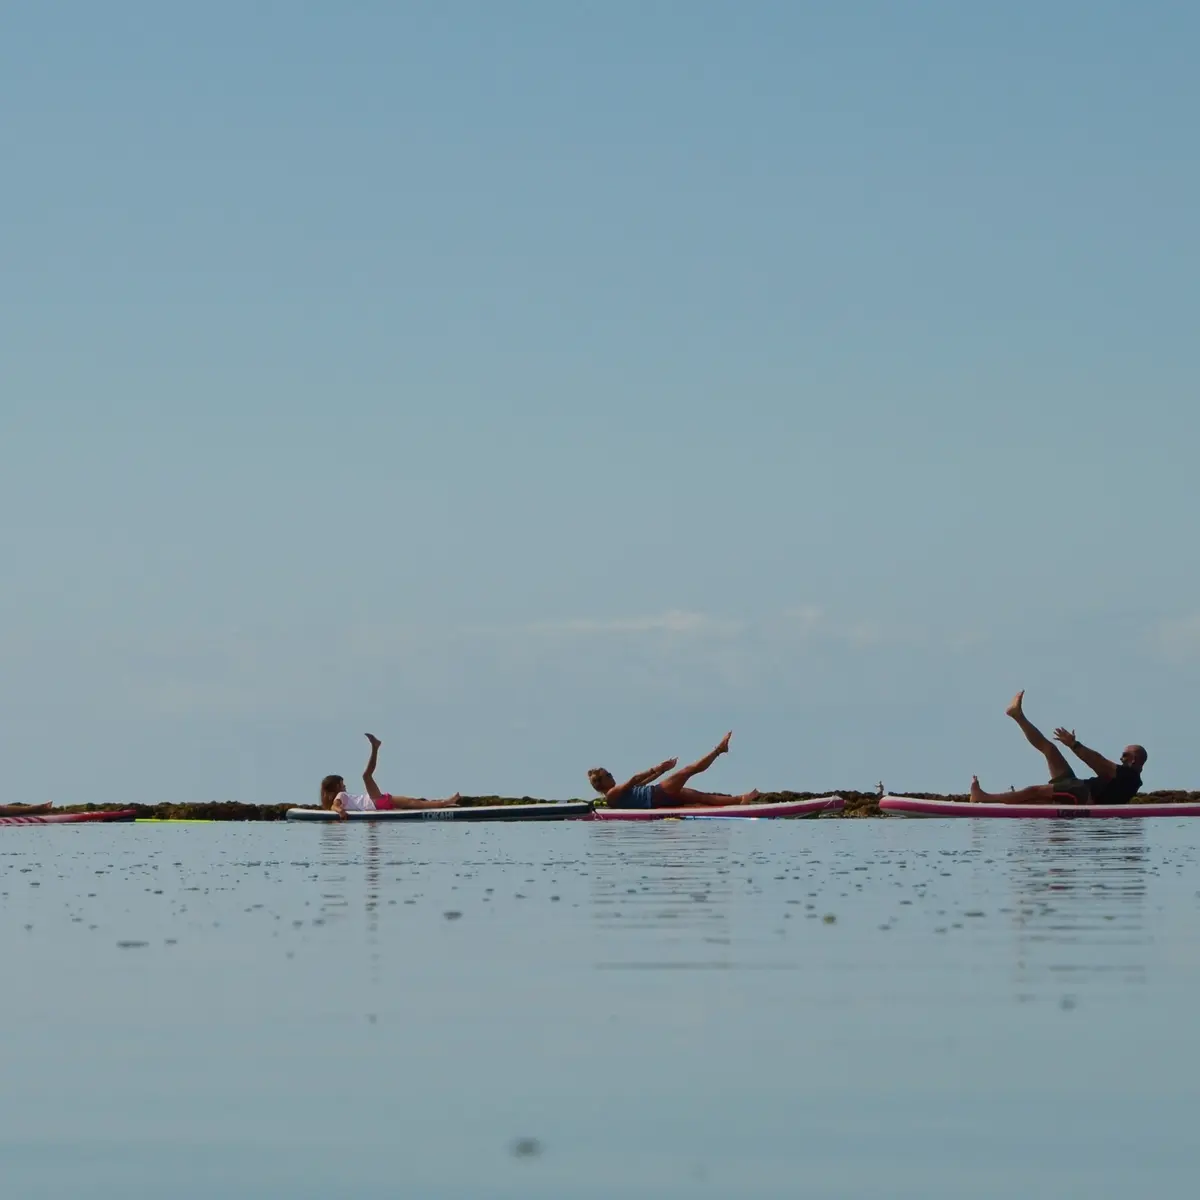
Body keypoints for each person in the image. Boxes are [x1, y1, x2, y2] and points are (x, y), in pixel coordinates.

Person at [970, 691, 1146, 806]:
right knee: (1049, 749)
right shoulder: (1127, 777)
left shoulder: (1129, 776)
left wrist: (1073, 744)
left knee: (1035, 792)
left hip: (1083, 795)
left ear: (1134, 759)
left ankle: (985, 798)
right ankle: (1017, 716)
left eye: (1125, 755)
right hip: (1078, 787)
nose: (1121, 758)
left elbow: (1098, 761)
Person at [587, 731, 761, 808]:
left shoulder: (617, 795)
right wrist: (656, 767)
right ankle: (718, 750)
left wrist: (661, 772)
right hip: (658, 794)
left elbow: (639, 785)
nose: (612, 776)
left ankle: (741, 800)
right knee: (687, 770)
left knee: (703, 797)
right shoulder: (611, 795)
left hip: (659, 797)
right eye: (607, 775)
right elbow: (634, 779)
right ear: (601, 784)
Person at [320, 734, 460, 818]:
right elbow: (335, 806)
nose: (345, 786)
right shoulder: (340, 796)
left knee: (413, 803)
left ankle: (445, 803)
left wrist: (341, 811)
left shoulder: (344, 798)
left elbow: (334, 806)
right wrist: (340, 811)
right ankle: (375, 747)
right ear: (337, 786)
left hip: (377, 804)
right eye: (342, 784)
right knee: (366, 776)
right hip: (375, 802)